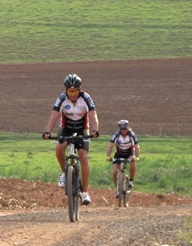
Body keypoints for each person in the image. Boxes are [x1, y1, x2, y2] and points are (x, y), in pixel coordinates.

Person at [42, 73, 100, 205]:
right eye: (70, 91)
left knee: (83, 156)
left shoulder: (86, 98)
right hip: (66, 127)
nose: (72, 94)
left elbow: (93, 116)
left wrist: (95, 130)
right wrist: (47, 131)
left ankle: (85, 192)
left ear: (80, 90)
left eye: (75, 91)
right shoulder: (62, 99)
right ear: (66, 90)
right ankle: (64, 173)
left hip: (82, 128)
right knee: (59, 147)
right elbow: (54, 116)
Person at [106, 119, 140, 196]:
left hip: (129, 153)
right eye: (122, 129)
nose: (123, 131)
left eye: (125, 129)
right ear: (119, 129)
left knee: (132, 162)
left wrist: (137, 156)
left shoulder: (132, 135)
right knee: (115, 171)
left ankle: (131, 180)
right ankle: (117, 189)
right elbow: (111, 146)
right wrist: (108, 156)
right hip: (119, 153)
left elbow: (136, 146)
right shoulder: (116, 135)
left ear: (128, 128)